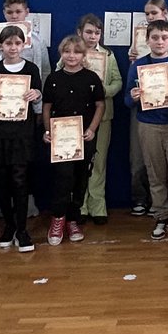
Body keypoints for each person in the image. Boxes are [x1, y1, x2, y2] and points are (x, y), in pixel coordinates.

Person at [124, 18, 168, 240]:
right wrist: (134, 97)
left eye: (164, 37)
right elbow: (127, 100)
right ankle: (161, 217)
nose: (159, 41)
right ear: (147, 40)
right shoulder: (138, 66)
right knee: (155, 174)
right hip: (148, 125)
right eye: (155, 37)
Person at [0, 25, 43, 253]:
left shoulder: (32, 69)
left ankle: (22, 230)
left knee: (20, 181)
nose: (13, 47)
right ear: (1, 46)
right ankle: (9, 225)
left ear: (24, 45)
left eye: (17, 43)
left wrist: (36, 94)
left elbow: (38, 96)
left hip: (22, 132)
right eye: (8, 43)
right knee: (1, 181)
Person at [42, 35, 105, 246]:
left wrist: (92, 129)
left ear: (83, 55)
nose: (71, 56)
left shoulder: (92, 78)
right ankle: (57, 219)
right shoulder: (53, 78)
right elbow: (47, 107)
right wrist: (47, 130)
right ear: (61, 53)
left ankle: (72, 219)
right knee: (62, 179)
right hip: (60, 140)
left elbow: (100, 105)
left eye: (77, 52)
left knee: (80, 180)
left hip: (83, 138)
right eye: (67, 51)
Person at [75, 14, 122, 226]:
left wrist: (105, 91)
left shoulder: (108, 56)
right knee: (79, 162)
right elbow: (59, 75)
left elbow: (118, 81)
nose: (93, 36)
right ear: (79, 32)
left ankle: (97, 206)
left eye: (97, 32)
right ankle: (80, 206)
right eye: (88, 32)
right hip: (76, 115)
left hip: (102, 116)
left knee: (98, 162)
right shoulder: (71, 52)